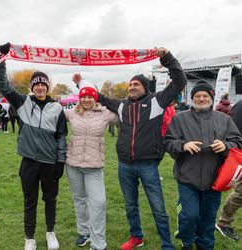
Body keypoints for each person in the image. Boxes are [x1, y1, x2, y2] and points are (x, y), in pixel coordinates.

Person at [73, 47, 187, 250]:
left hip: (148, 164)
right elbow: (96, 96)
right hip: (125, 165)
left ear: (144, 87)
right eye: (130, 85)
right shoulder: (121, 105)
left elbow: (180, 82)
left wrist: (167, 57)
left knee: (158, 207)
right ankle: (136, 237)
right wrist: (80, 83)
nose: (132, 87)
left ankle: (167, 245)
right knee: (130, 206)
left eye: (136, 84)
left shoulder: (157, 101)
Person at [0, 43, 67, 250]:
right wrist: (1, 59)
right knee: (30, 202)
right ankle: (30, 237)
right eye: (36, 84)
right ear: (31, 87)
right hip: (28, 162)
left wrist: (60, 161)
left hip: (50, 163)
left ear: (48, 86)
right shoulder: (23, 102)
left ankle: (50, 232)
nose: (40, 87)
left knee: (50, 200)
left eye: (43, 84)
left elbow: (62, 136)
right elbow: (3, 86)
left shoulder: (57, 108)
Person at [163, 80, 242, 250]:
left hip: (214, 181)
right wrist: (183, 145)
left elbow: (237, 142)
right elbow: (168, 142)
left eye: (205, 95)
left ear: (211, 99)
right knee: (189, 216)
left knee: (208, 219)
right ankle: (186, 240)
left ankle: (205, 245)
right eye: (197, 96)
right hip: (187, 178)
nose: (201, 98)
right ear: (192, 99)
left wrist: (225, 146)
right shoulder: (180, 118)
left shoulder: (224, 119)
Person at [65, 78, 118, 250]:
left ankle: (98, 243)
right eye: (84, 97)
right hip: (73, 164)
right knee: (79, 199)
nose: (87, 100)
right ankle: (84, 232)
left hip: (94, 167)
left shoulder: (105, 113)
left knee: (98, 203)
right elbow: (50, 114)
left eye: (90, 97)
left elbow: (126, 117)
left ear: (96, 98)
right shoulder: (72, 112)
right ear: (79, 98)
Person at [215, 99, 242, 241]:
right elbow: (235, 134)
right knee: (240, 193)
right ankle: (224, 222)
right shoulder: (240, 105)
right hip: (240, 155)